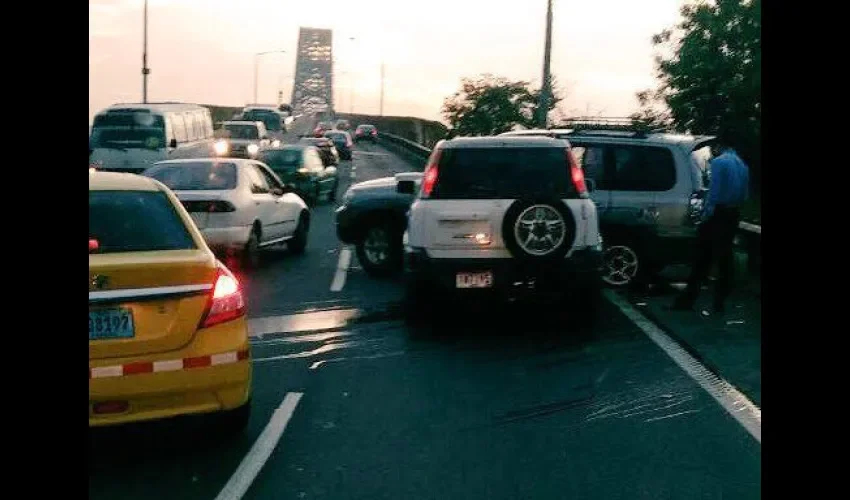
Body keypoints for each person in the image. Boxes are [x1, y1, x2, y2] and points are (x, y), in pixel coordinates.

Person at [672, 135, 750, 313]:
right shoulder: (742, 165)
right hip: (733, 213)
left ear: (719, 146)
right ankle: (719, 301)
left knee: (701, 257)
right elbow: (745, 195)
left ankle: (687, 300)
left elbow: (714, 193)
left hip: (718, 214)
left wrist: (705, 215)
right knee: (725, 259)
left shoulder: (719, 162)